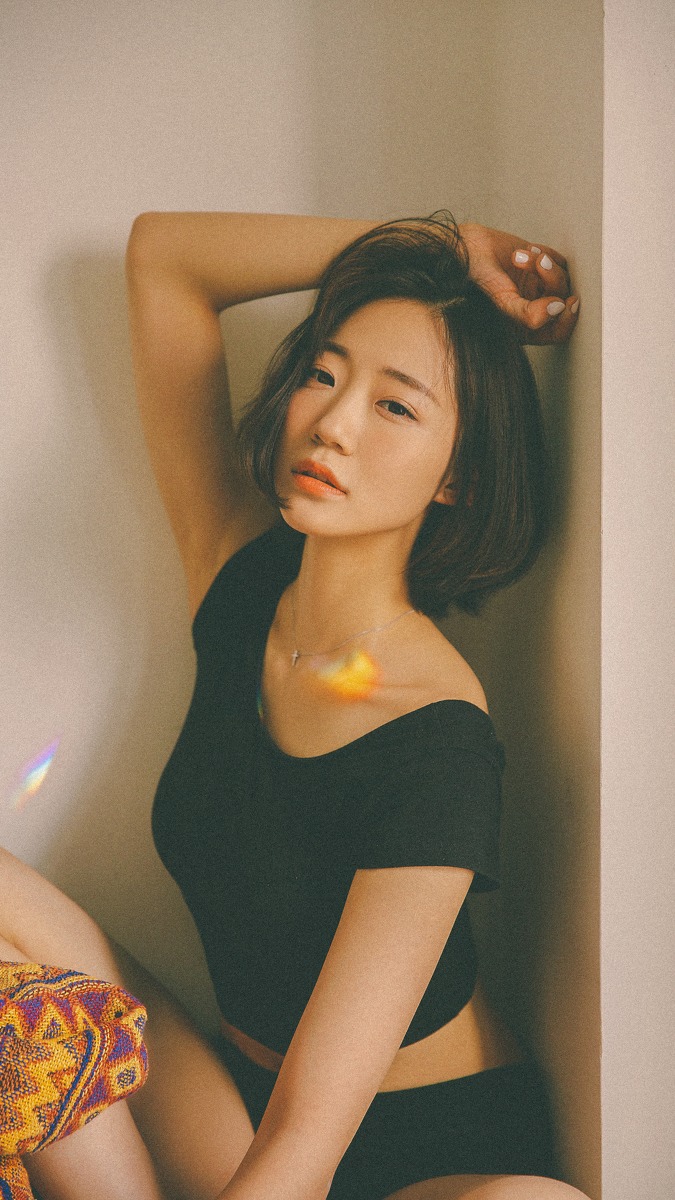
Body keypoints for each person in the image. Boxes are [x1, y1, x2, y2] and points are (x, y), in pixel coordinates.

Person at [0, 211, 590, 1200]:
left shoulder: (439, 741)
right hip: (238, 1110)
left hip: (417, 1156)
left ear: (460, 475)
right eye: (324, 373)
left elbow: (308, 1146)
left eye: (394, 407)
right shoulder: (240, 580)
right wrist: (446, 244)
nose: (332, 424)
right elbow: (166, 260)